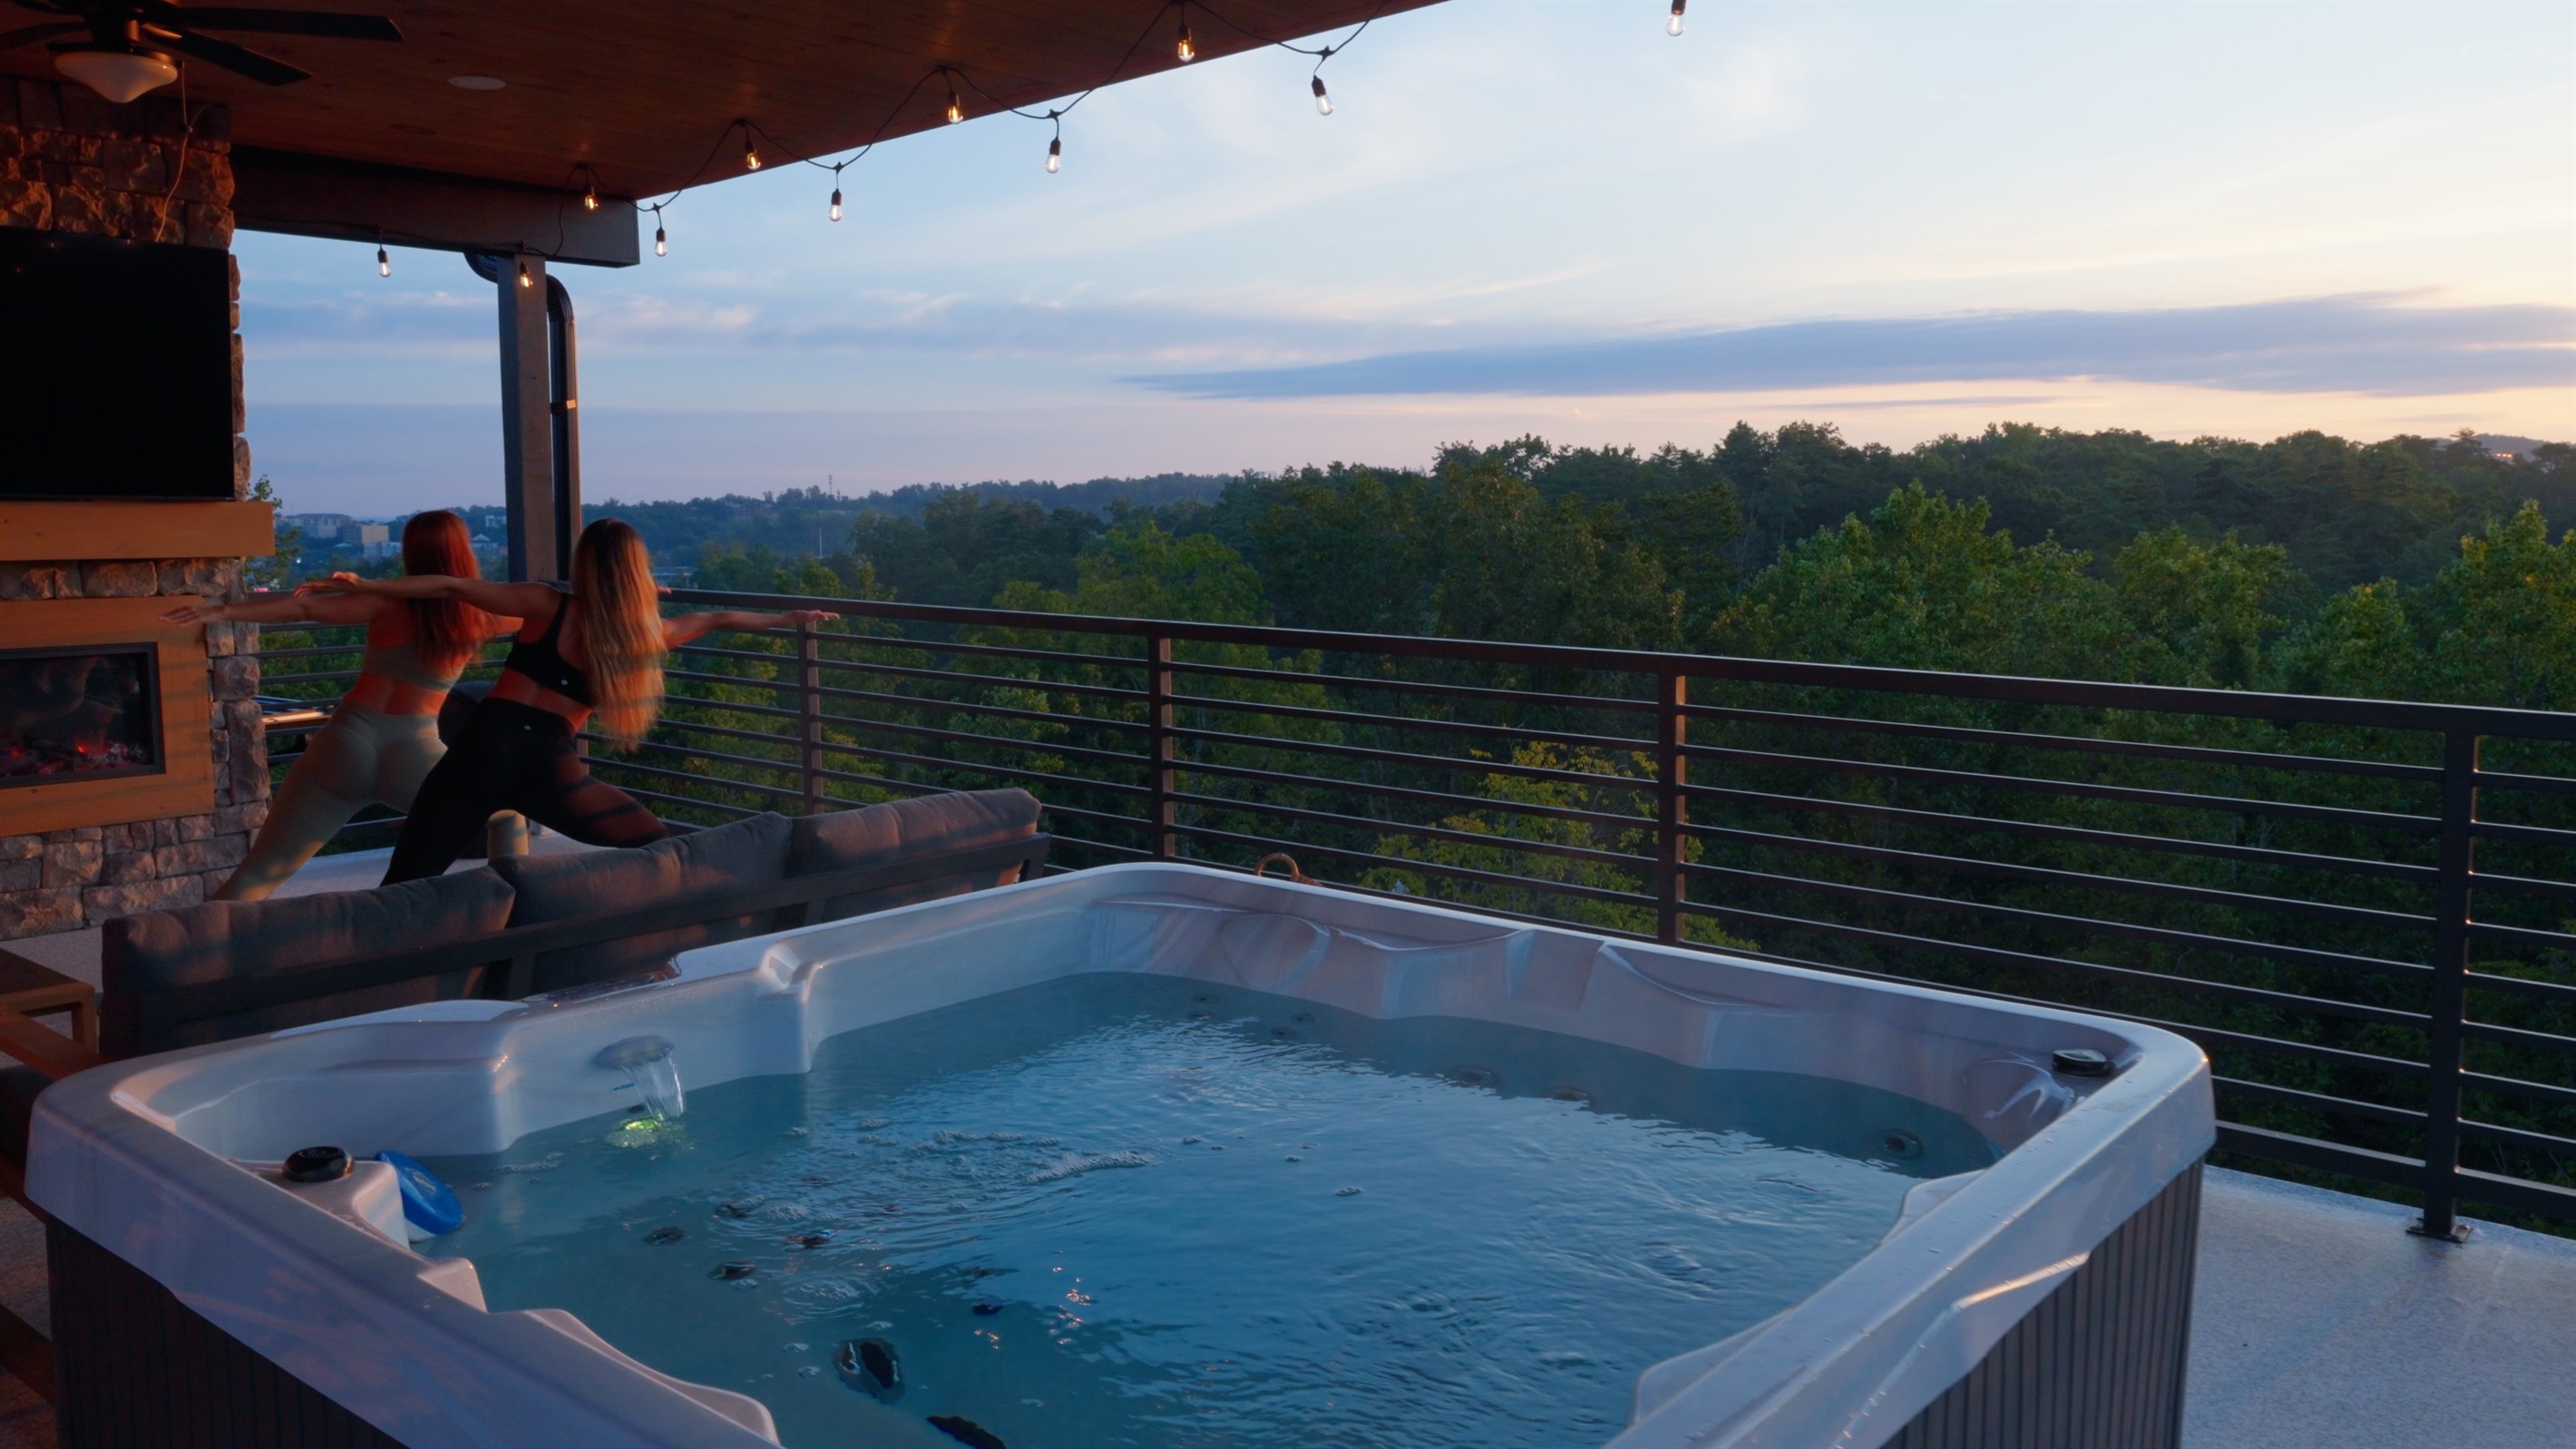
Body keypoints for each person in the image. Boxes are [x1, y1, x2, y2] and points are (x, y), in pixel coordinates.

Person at [301, 517, 837, 885]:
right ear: (636, 573)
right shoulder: (640, 636)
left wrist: (370, 583)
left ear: (584, 564)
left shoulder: (544, 603)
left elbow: (451, 588)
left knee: (406, 881)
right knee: (653, 840)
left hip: (481, 745)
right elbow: (718, 618)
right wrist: (788, 620)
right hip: (546, 765)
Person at [160, 511, 518, 900]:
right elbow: (539, 609)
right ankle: (514, 916)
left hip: (345, 743)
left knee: (256, 876)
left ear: (410, 552)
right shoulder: (481, 618)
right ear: (464, 552)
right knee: (510, 813)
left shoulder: (380, 603)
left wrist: (221, 611)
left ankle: (186, 953)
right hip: (415, 755)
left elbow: (303, 608)